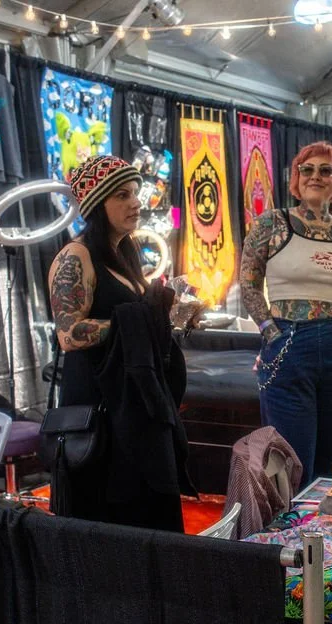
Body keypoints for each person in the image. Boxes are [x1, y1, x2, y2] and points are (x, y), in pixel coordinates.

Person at [48, 154, 193, 530]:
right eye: (123, 196)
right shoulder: (74, 257)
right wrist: (142, 321)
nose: (136, 203)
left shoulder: (127, 251)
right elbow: (69, 334)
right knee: (106, 519)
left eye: (136, 193)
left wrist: (170, 319)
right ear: (97, 204)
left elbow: (142, 323)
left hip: (131, 405)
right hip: (98, 406)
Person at [239, 141, 332, 481]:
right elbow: (248, 285)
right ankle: (289, 535)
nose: (315, 176)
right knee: (291, 465)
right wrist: (271, 332)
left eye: (326, 170)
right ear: (296, 177)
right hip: (289, 342)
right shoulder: (272, 224)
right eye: (306, 170)